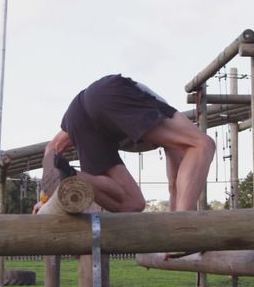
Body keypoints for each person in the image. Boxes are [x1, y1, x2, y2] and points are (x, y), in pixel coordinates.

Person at [38, 74, 215, 213]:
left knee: (132, 203)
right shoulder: (164, 116)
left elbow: (53, 149)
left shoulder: (158, 127)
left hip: (78, 110)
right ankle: (182, 231)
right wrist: (177, 230)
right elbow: (175, 184)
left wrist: (44, 200)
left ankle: (70, 175)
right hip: (109, 92)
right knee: (202, 144)